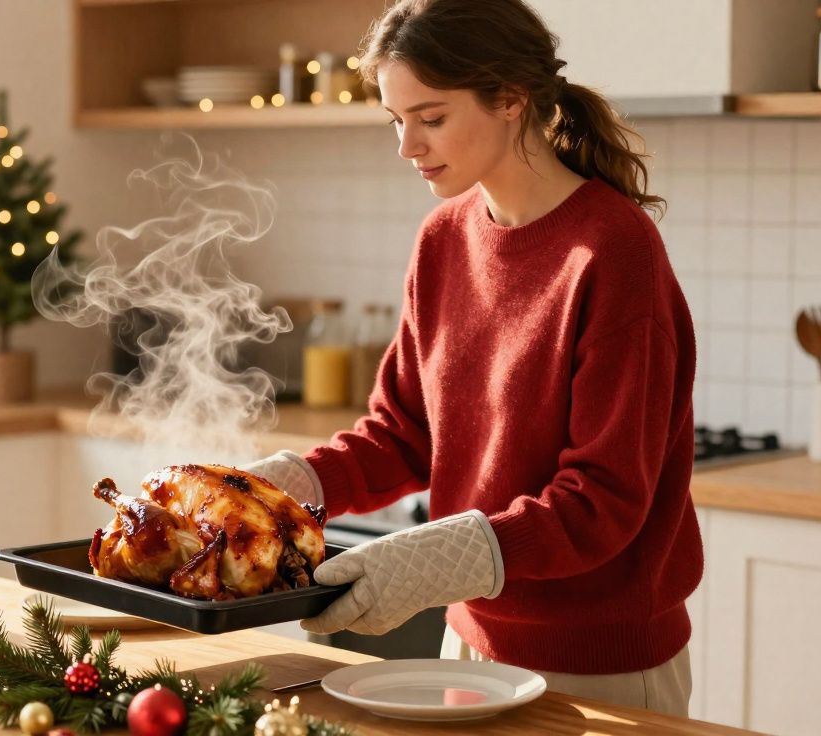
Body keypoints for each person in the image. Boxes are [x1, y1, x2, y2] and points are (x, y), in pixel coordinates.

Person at [245, 0, 700, 718]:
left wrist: (444, 558)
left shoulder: (612, 252)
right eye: (395, 120)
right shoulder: (443, 239)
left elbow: (603, 501)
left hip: (602, 665)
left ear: (511, 99)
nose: (407, 146)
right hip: (467, 640)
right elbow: (404, 433)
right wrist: (288, 486)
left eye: (430, 117)